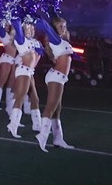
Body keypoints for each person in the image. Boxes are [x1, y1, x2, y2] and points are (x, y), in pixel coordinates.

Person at [35, 16, 76, 151]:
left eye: (64, 26)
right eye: (60, 26)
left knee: (57, 109)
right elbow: (47, 26)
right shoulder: (56, 40)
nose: (63, 29)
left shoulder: (62, 40)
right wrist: (39, 14)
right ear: (54, 29)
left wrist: (53, 8)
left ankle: (58, 139)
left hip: (60, 77)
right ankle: (43, 135)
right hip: (56, 77)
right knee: (51, 107)